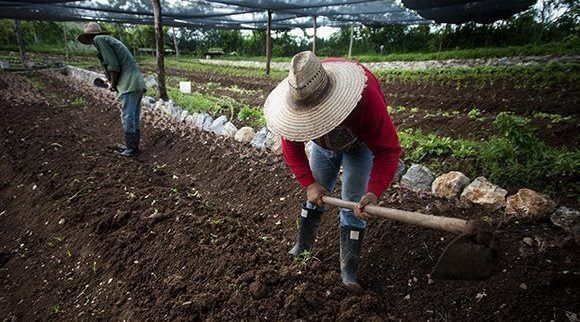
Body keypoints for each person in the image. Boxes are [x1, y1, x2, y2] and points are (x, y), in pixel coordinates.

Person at [263, 51, 401, 290]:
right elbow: (290, 144)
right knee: (316, 196)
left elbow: (388, 151)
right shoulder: (301, 91)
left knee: (354, 204)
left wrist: (374, 192)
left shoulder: (366, 98)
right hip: (322, 145)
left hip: (360, 145)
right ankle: (303, 247)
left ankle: (349, 271)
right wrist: (309, 184)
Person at [77, 22, 146, 157]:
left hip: (128, 84)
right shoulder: (108, 40)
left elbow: (113, 66)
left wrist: (113, 84)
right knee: (133, 117)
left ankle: (131, 149)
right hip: (137, 82)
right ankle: (133, 147)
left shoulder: (99, 40)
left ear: (89, 37)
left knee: (127, 116)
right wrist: (112, 82)